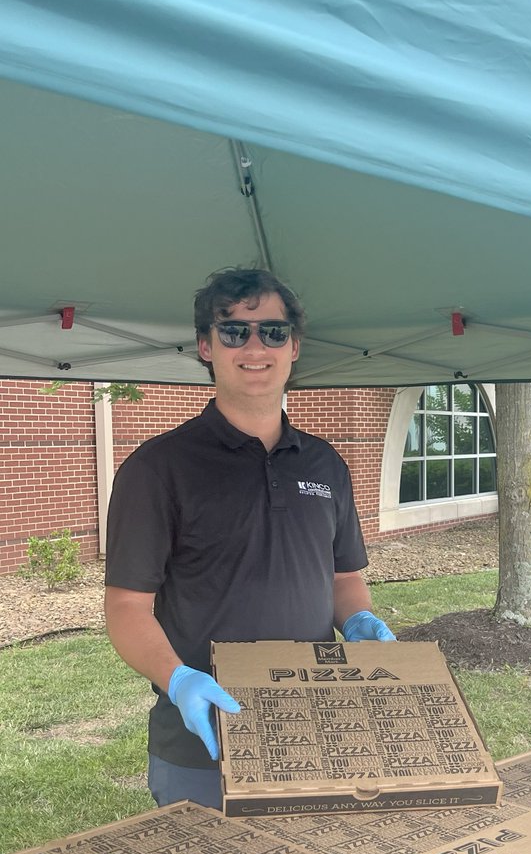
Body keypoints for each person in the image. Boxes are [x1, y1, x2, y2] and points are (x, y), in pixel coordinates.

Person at [104, 268, 395, 809]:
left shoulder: (325, 463)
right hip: (203, 745)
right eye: (234, 331)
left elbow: (343, 576)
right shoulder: (157, 468)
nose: (255, 346)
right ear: (206, 346)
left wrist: (357, 620)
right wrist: (179, 680)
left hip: (320, 730)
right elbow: (126, 606)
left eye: (273, 332)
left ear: (295, 346)